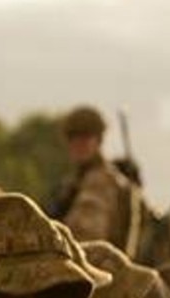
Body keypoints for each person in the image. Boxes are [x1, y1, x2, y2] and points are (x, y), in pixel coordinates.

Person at [50, 105, 140, 251]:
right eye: (73, 137)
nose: (78, 144)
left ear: (98, 140)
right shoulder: (73, 183)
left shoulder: (102, 180)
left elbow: (84, 241)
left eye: (85, 137)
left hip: (98, 268)